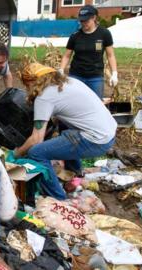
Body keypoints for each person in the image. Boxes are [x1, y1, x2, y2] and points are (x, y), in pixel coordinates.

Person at [14, 63, 117, 200]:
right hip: (109, 132)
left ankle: (58, 197)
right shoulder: (69, 81)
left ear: (33, 82)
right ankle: (76, 175)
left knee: (36, 152)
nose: (27, 89)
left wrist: (16, 153)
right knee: (65, 132)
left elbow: (36, 139)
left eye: (27, 85)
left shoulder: (44, 96)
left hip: (96, 139)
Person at [59, 5, 118, 99]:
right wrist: (61, 70)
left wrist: (114, 73)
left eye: (86, 20)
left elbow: (110, 55)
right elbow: (67, 56)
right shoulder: (75, 36)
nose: (83, 23)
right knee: (74, 102)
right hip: (76, 76)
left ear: (94, 18)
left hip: (95, 77)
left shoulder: (104, 34)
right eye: (81, 21)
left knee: (97, 103)